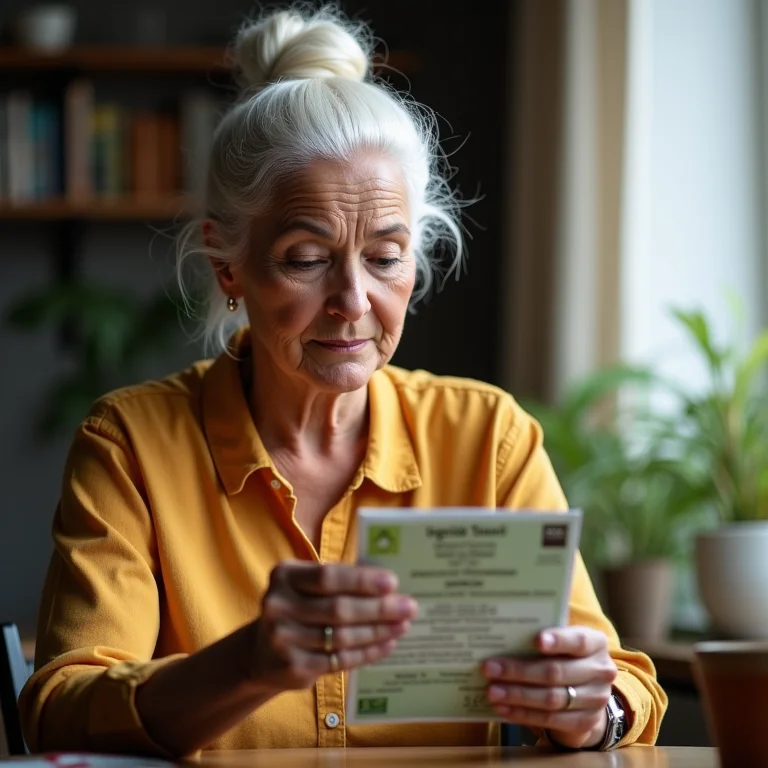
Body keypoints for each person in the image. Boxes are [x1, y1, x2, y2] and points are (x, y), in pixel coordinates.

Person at [19, 5, 666, 758]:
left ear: (416, 262)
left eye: (386, 257)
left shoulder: (488, 437)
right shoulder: (131, 443)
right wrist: (248, 662)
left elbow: (623, 685)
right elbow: (58, 712)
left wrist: (590, 710)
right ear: (229, 266)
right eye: (305, 257)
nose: (354, 301)